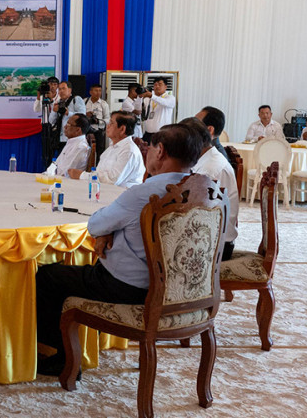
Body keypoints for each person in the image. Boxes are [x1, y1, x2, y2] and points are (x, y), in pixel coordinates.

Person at [34, 123, 205, 376]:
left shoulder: (145, 194)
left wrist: (108, 231)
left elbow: (95, 225)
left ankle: (62, 358)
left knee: (48, 277)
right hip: (190, 291)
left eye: (151, 148)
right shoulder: (208, 191)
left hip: (132, 289)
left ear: (160, 151)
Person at [181, 117, 238, 260]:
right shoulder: (205, 158)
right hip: (211, 237)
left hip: (215, 246)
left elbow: (194, 214)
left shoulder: (209, 169)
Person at [66, 111, 144, 188]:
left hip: (121, 193)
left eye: (111, 123)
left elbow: (111, 181)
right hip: (105, 190)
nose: (108, 126)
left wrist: (81, 175)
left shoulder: (129, 151)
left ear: (122, 129)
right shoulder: (112, 147)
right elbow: (100, 173)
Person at [49, 80, 85, 150]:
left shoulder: (76, 99)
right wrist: (54, 111)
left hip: (73, 138)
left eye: (63, 88)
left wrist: (69, 113)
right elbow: (51, 121)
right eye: (59, 89)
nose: (61, 91)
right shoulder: (58, 102)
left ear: (70, 90)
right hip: (60, 138)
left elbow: (83, 117)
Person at [84, 83, 110, 157]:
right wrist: (86, 115)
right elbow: (79, 115)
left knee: (99, 151)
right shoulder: (84, 102)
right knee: (84, 150)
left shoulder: (104, 104)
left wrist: (98, 121)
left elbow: (108, 119)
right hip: (86, 129)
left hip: (98, 130)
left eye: (100, 91)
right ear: (90, 92)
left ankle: (98, 163)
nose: (98, 93)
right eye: (96, 91)